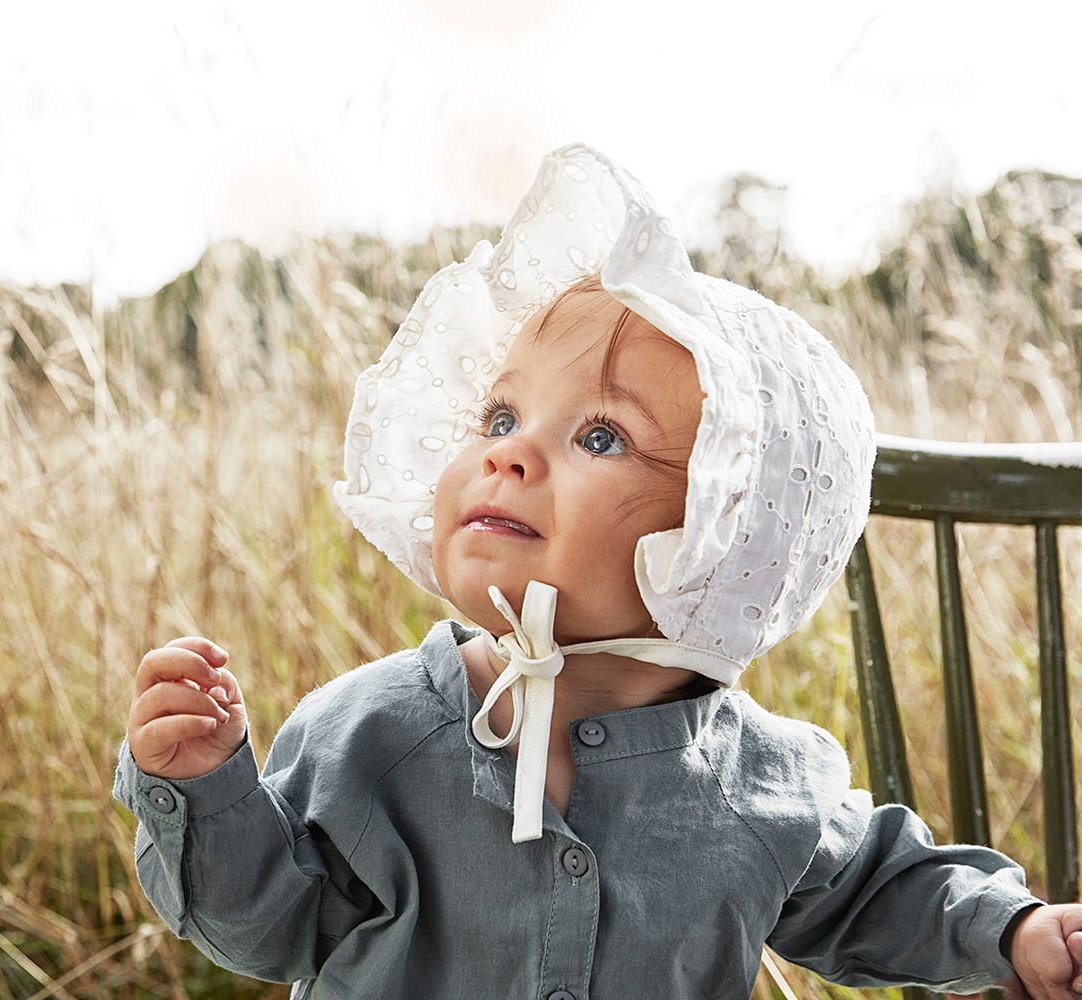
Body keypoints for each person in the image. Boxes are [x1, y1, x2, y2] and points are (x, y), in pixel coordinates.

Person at [112, 141, 1082, 998]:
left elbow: (880, 889)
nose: (508, 453)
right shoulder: (376, 731)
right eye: (499, 417)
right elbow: (267, 930)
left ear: (729, 533)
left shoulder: (764, 781)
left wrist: (1010, 928)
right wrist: (207, 791)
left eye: (601, 433)